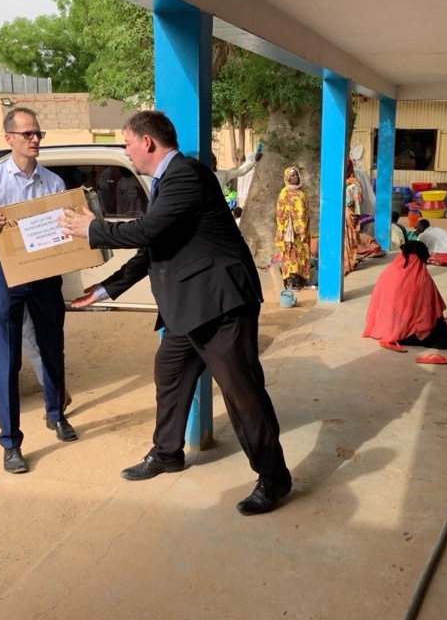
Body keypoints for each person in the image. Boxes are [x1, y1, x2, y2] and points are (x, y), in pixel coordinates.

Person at [58, 110, 292, 515]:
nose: (126, 151)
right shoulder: (167, 181)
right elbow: (156, 246)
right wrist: (106, 288)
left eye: (126, 143)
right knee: (169, 374)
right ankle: (168, 452)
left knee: (242, 394)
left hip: (219, 305)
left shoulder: (185, 175)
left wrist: (93, 229)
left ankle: (273, 477)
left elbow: (145, 232)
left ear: (147, 142)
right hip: (189, 306)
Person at [0, 107, 76, 475]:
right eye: (28, 134)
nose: (35, 139)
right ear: (9, 138)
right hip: (5, 277)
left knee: (51, 349)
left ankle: (56, 414)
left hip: (45, 276)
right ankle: (10, 443)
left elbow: (65, 231)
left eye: (38, 133)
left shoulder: (54, 184)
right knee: (7, 360)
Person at [362, 241, 447, 351]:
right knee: (441, 331)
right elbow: (432, 310)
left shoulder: (387, 272)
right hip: (408, 335)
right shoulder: (421, 279)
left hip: (384, 327)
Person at [274, 166, 310, 290]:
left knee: (301, 256)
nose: (295, 177)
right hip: (290, 233)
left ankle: (299, 281)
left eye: (296, 175)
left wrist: (303, 227)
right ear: (287, 178)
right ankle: (290, 282)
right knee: (290, 257)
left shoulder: (302, 192)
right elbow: (280, 213)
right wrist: (291, 225)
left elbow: (305, 211)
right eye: (292, 176)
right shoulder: (284, 193)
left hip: (302, 232)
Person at [343, 158, 362, 274]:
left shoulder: (354, 184)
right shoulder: (339, 182)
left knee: (348, 237)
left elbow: (356, 204)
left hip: (349, 214)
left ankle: (348, 263)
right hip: (341, 214)